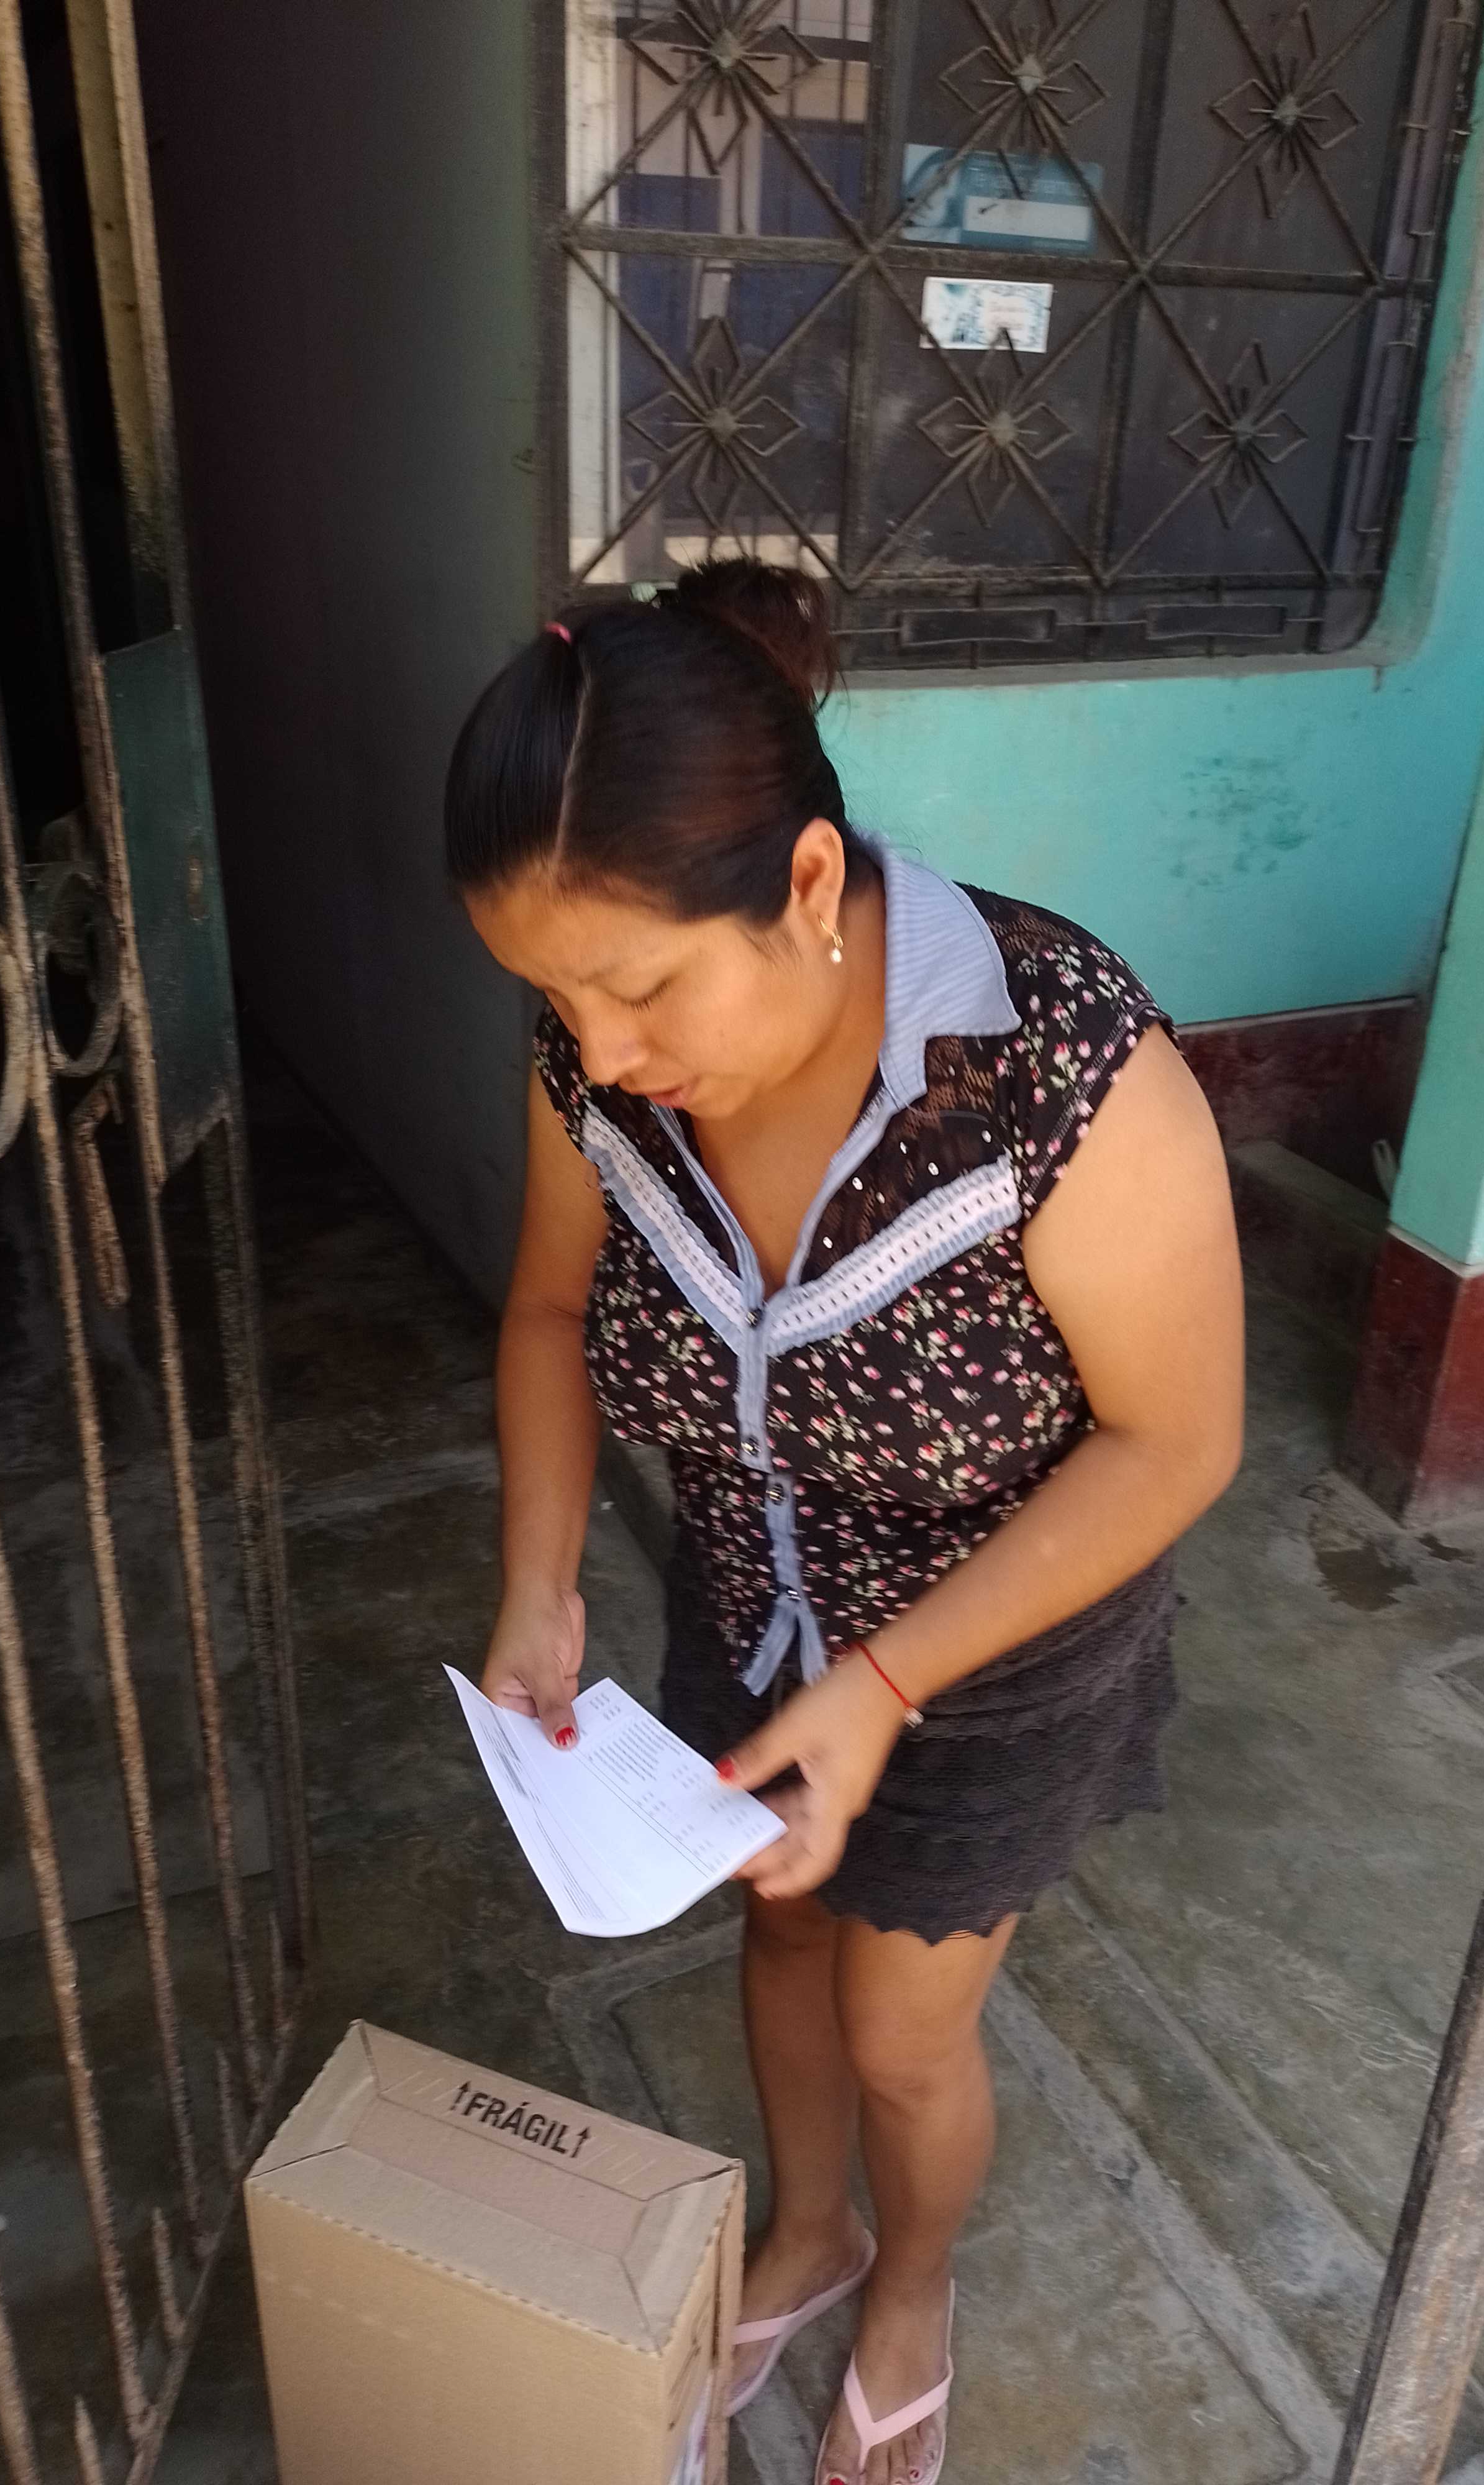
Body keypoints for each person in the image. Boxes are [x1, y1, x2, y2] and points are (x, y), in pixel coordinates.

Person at [447, 560, 1243, 2485]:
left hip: (1002, 1651)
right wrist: (540, 1581)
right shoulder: (601, 1073)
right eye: (555, 997)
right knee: (781, 1938)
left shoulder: (1055, 1066)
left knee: (901, 2026)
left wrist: (887, 1683)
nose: (598, 1052)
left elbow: (1177, 1442)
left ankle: (914, 2286)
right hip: (755, 1594)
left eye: (642, 987)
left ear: (810, 883)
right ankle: (809, 2236)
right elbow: (549, 1311)